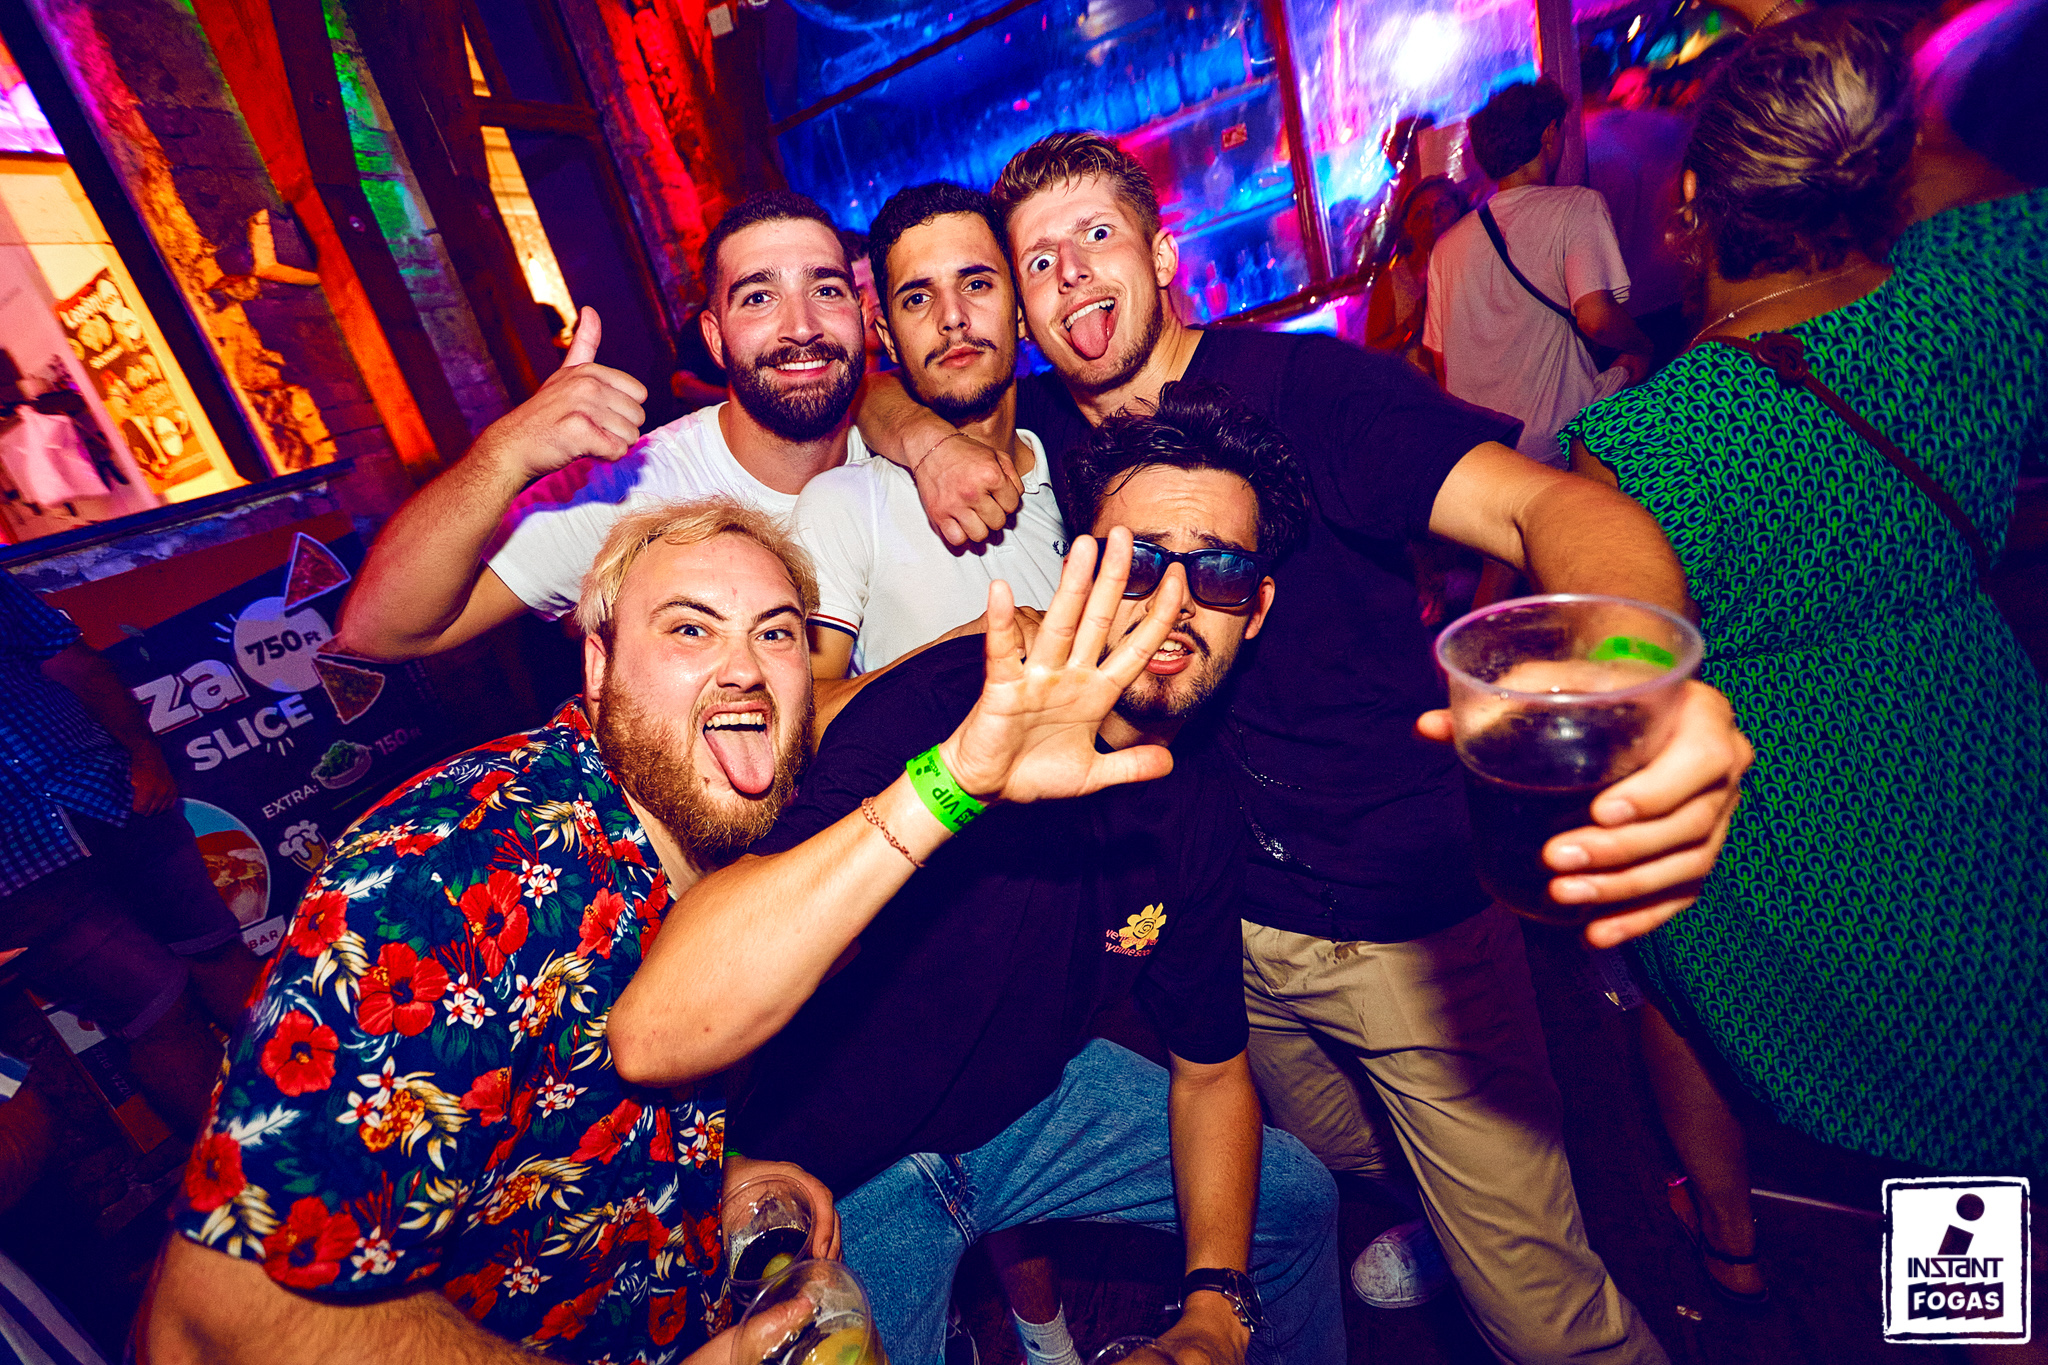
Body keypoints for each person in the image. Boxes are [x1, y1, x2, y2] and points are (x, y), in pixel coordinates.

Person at [856, 129, 1753, 1365]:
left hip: (1400, 920)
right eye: (1037, 262)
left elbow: (1549, 506)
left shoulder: (1309, 393)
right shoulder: (1052, 431)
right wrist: (923, 440)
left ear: (1160, 255)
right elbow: (886, 387)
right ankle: (1428, 1208)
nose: (1070, 278)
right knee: (1324, 1158)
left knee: (1536, 1308)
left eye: (1096, 238)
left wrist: (1630, 686)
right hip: (1229, 925)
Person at [611, 386, 1347, 1365]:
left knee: (1295, 1201)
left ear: (1254, 609)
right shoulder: (944, 706)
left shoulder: (1197, 796)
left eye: (1215, 571)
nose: (1170, 601)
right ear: (1079, 567)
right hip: (838, 1173)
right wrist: (959, 778)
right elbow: (660, 1024)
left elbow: (1209, 1073)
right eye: (1136, 562)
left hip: (1026, 1112)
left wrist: (1214, 1307)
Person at [1563, 6, 2048, 1305]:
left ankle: (1742, 1248)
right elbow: (1987, 187)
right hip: (1982, 745)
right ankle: (1972, 1288)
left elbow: (1614, 683)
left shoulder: (1644, 441)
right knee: (1995, 1071)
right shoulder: (1977, 285)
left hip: (1788, 814)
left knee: (1670, 964)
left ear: (1687, 212)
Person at [145, 499, 842, 1363]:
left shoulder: (702, 836)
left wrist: (712, 1176)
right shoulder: (453, 876)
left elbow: (541, 1123)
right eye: (690, 628)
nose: (744, 668)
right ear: (599, 667)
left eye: (776, 633)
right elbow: (221, 1312)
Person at [334, 190, 869, 661]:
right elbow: (376, 632)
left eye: (826, 290)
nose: (802, 326)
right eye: (758, 297)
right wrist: (504, 453)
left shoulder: (902, 440)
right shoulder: (632, 489)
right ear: (715, 339)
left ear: (862, 313)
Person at [0, 571, 260, 1136]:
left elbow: (71, 661)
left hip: (114, 795)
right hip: (17, 872)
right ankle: (236, 1165)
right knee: (155, 1010)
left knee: (217, 952)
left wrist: (142, 749)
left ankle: (333, 1105)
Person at [796, 182, 1067, 679]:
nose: (952, 318)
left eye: (976, 284)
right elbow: (803, 710)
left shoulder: (1081, 477)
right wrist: (954, 661)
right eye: (918, 298)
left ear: (1020, 312)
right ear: (888, 339)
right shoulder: (844, 506)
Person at [1424, 78, 1654, 467]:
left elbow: (1441, 365)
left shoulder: (1446, 247)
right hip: (1558, 446)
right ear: (1549, 134)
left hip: (1486, 455)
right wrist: (1643, 345)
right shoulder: (1576, 207)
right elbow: (1597, 318)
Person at [1364, 176, 1464, 375]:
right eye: (1420, 213)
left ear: (1458, 209)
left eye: (1442, 205)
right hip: (1422, 389)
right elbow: (1372, 355)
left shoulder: (1473, 259)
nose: (1433, 217)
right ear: (1408, 226)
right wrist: (1411, 325)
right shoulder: (1393, 281)